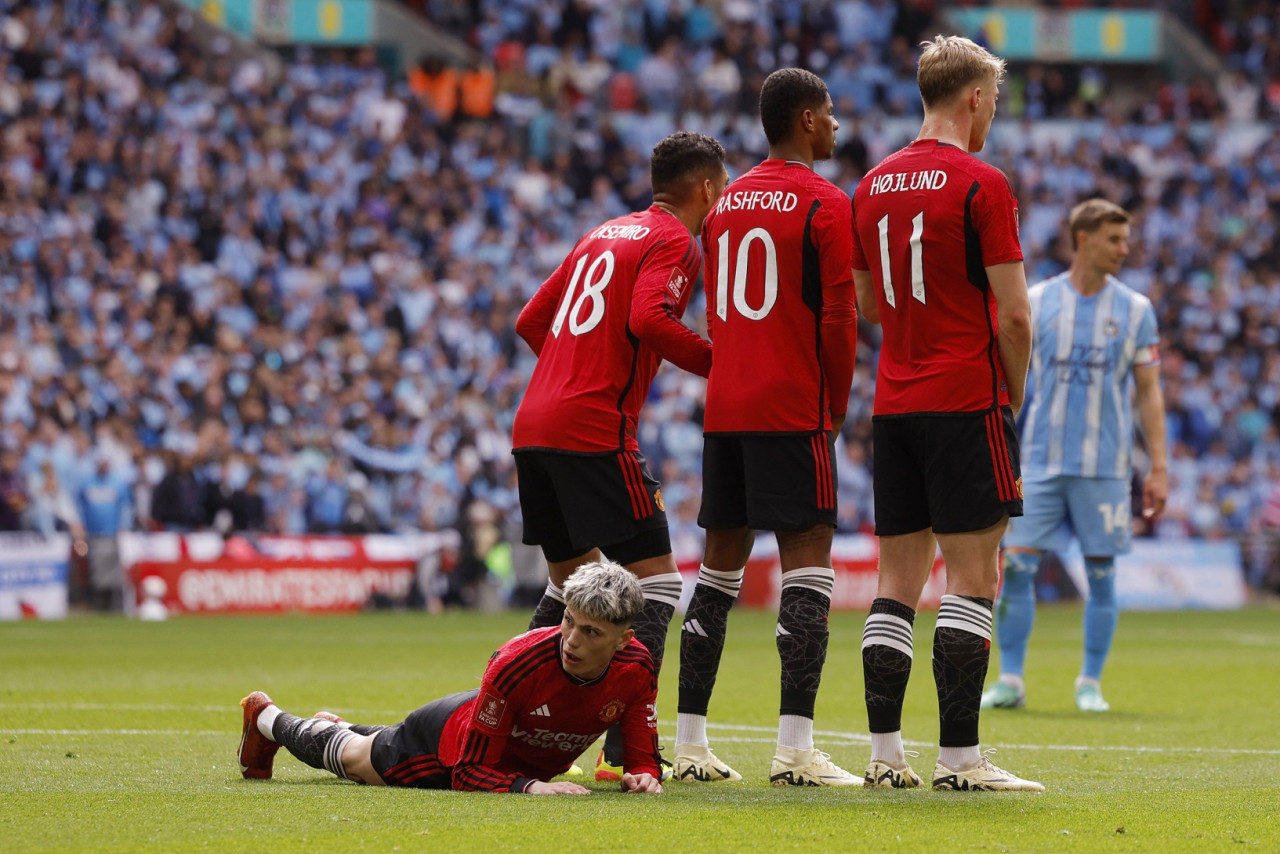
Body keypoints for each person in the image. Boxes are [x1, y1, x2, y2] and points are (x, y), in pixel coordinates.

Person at [850, 35, 1042, 792]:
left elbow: (868, 306)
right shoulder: (981, 183)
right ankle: (961, 759)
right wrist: (1015, 389)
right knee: (972, 579)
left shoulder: (870, 185)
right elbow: (1016, 317)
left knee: (896, 583)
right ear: (974, 97)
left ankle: (883, 756)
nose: (993, 112)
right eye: (993, 98)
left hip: (894, 405)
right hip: (967, 400)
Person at [511, 131, 729, 780]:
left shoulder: (602, 232)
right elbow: (649, 321)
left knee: (565, 586)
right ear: (708, 191)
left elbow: (530, 320)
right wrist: (725, 363)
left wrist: (566, 378)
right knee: (659, 582)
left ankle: (507, 720)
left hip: (535, 426)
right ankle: (624, 751)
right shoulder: (675, 241)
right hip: (592, 431)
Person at [673, 67, 859, 787]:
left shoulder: (724, 206)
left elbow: (716, 313)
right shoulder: (824, 202)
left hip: (728, 407)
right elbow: (839, 318)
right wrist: (836, 406)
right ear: (807, 120)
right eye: (832, 113)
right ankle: (794, 750)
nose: (838, 124)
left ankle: (690, 744)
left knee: (716, 575)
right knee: (807, 571)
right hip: (792, 406)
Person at [238, 560, 665, 794]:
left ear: (623, 640)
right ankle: (266, 717)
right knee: (353, 760)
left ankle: (336, 726)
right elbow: (469, 773)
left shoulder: (638, 668)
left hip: (497, 747)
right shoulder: (517, 663)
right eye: (568, 621)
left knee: (363, 741)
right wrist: (528, 788)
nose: (571, 640)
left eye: (590, 632)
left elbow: (641, 751)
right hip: (444, 746)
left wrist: (643, 773)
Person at [981, 199, 1168, 714]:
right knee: (1016, 569)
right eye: (1115, 239)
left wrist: (1158, 466)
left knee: (1102, 574)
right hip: (1038, 461)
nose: (1123, 250)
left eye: (1125, 240)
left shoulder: (1135, 310)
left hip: (1105, 468)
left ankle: (1090, 682)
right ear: (1083, 239)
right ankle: (1012, 679)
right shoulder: (1038, 301)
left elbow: (1149, 393)